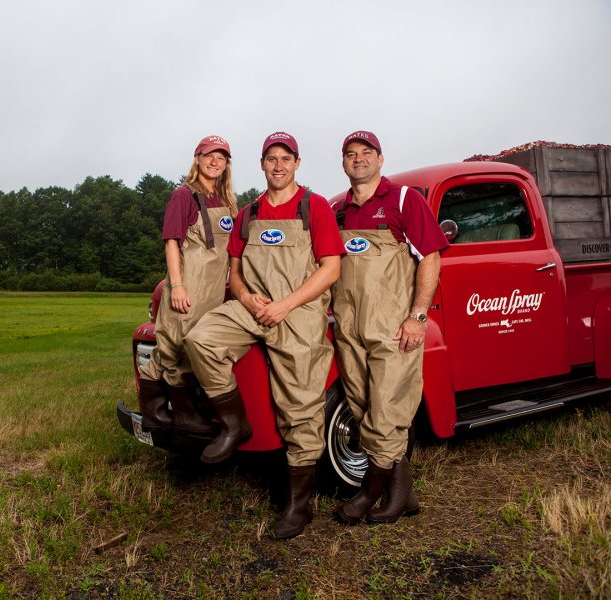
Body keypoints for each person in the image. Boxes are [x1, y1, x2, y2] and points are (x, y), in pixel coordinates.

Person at [185, 132, 344, 539]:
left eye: (285, 158)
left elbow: (331, 269)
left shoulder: (315, 207)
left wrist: (285, 305)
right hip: (254, 307)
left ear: (296, 163)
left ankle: (299, 505)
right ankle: (236, 425)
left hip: (298, 312)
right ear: (261, 164)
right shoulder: (249, 213)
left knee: (300, 408)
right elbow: (233, 272)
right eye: (271, 158)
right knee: (200, 339)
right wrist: (246, 298)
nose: (278, 165)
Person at [330, 130, 449, 525]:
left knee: (387, 414)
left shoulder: (403, 200)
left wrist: (417, 316)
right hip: (350, 329)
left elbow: (430, 258)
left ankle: (369, 493)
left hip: (393, 328)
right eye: (351, 153)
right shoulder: (339, 212)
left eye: (366, 152)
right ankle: (404, 497)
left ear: (381, 159)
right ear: (343, 162)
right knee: (364, 410)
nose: (358, 158)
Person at [137, 135, 238, 435]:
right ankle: (160, 411)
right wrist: (177, 285)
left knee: (196, 349)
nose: (214, 161)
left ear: (226, 164)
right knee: (173, 348)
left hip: (215, 291)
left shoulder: (227, 201)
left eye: (221, 157)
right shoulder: (183, 195)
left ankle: (186, 411)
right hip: (190, 285)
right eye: (208, 155)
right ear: (197, 159)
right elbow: (172, 242)